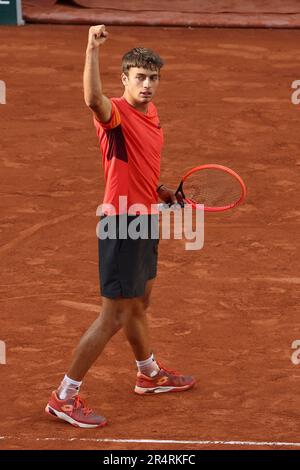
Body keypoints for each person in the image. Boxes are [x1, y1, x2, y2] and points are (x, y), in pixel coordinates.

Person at [45, 25, 195, 429]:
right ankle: (64, 396)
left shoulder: (152, 113)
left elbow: (141, 164)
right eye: (139, 77)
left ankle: (149, 375)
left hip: (146, 219)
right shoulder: (113, 113)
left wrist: (162, 191)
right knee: (112, 315)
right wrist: (91, 48)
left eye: (153, 78)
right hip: (121, 224)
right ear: (125, 79)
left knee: (140, 305)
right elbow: (91, 98)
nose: (146, 85)